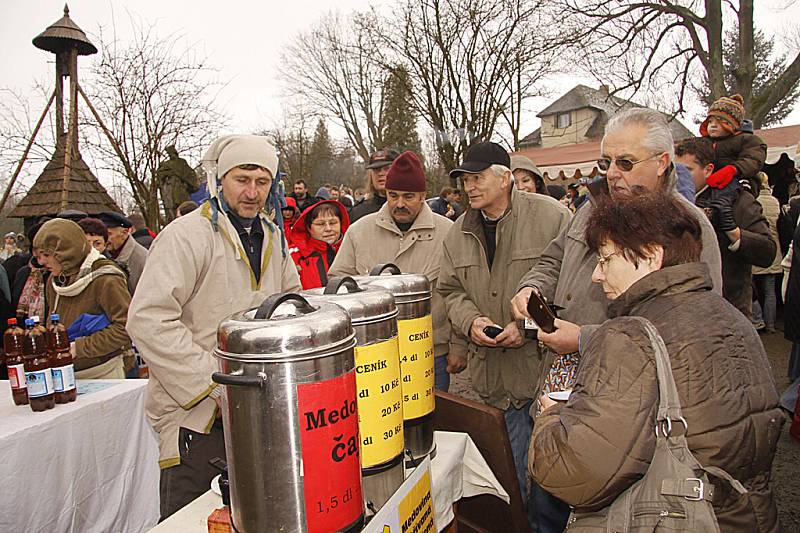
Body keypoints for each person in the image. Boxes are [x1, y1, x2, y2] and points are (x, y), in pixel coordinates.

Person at [510, 108, 723, 532]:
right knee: (546, 512)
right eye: (608, 163)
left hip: (629, 426)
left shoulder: (688, 230)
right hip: (562, 399)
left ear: (663, 162)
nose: (613, 174)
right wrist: (532, 287)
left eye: (626, 163)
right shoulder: (591, 211)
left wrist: (585, 339)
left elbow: (693, 333)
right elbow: (554, 257)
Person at [530, 193, 782, 533]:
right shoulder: (733, 318)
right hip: (746, 514)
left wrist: (551, 417)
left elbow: (571, 473)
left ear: (649, 257)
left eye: (604, 260)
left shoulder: (628, 338)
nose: (595, 275)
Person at [127, 135, 301, 518]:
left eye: (262, 182)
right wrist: (216, 385)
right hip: (197, 420)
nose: (252, 192)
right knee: (192, 519)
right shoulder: (186, 236)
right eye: (242, 179)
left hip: (258, 413)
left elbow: (292, 306)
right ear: (220, 180)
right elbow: (148, 320)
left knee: (254, 518)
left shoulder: (273, 236)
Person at [437, 141, 571, 529]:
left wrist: (527, 329)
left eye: (477, 178)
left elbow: (568, 288)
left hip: (544, 372)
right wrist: (472, 323)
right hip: (492, 376)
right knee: (513, 471)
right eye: (464, 181)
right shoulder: (458, 231)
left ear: (506, 177)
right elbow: (450, 290)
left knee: (550, 474)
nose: (469, 188)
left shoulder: (552, 217)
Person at [330, 151, 463, 392]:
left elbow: (459, 291)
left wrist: (459, 347)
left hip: (430, 353)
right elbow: (337, 284)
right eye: (393, 195)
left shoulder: (448, 233)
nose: (399, 203)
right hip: (372, 355)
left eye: (408, 196)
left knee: (429, 425)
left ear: (423, 196)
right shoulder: (359, 232)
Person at [675, 136, 775, 318]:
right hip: (683, 310)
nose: (678, 177)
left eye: (687, 170)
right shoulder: (670, 201)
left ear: (708, 170)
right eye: (674, 170)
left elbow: (767, 251)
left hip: (729, 311)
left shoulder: (737, 200)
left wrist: (733, 231)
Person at [34, 218, 132, 379]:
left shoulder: (106, 279)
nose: (42, 261)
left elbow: (126, 327)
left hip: (103, 372)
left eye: (47, 255)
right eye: (39, 255)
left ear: (67, 252)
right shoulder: (55, 280)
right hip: (65, 371)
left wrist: (79, 347)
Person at [699, 94, 767, 194]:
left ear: (732, 124)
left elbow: (754, 159)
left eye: (720, 121)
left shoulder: (748, 140)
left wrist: (734, 169)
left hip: (739, 182)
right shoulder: (703, 143)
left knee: (730, 199)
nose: (713, 125)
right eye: (710, 121)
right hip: (707, 184)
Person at [290, 200, 350, 289]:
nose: (328, 229)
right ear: (309, 228)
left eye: (333, 223)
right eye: (320, 224)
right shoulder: (293, 256)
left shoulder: (351, 250)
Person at [752, 172, 783, 332]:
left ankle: (756, 321)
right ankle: (770, 324)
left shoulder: (753, 202)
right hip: (774, 249)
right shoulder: (775, 202)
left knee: (753, 289)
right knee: (770, 289)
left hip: (756, 249)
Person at [98, 211, 148, 295]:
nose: (105, 239)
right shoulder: (103, 254)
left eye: (109, 234)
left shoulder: (142, 259)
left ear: (124, 233)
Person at [348, 149, 399, 223]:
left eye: (387, 168)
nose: (381, 173)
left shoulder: (410, 210)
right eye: (376, 170)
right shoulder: (358, 213)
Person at [156, 145, 199, 219]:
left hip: (181, 191)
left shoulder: (181, 162)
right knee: (172, 212)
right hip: (171, 191)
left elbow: (189, 174)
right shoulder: (166, 165)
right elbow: (160, 177)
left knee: (184, 210)